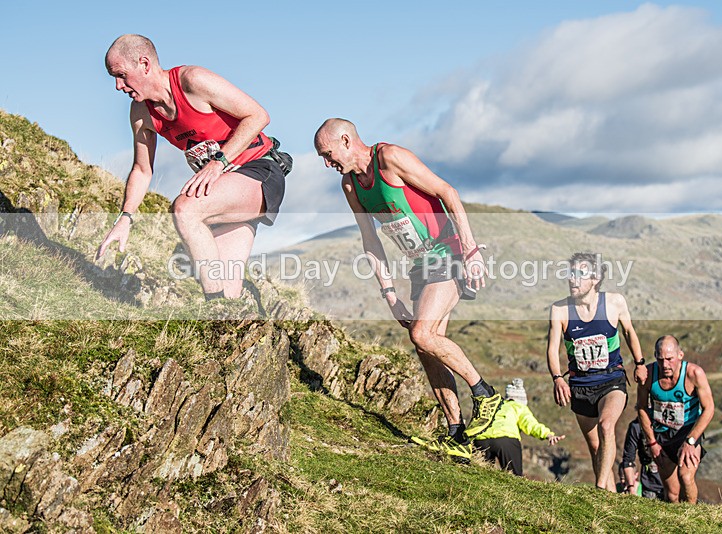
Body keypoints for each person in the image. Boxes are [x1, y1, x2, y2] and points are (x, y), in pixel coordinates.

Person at [314, 118, 500, 462]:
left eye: (328, 154)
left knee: (422, 332)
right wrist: (390, 295)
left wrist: (471, 249)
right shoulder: (351, 185)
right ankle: (456, 434)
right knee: (428, 349)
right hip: (420, 266)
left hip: (448, 251)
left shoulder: (391, 158)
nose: (328, 164)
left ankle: (487, 396)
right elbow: (370, 239)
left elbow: (448, 192)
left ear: (345, 140)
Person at [97, 34, 292, 301]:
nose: (118, 86)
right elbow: (142, 170)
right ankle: (232, 314)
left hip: (259, 170)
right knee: (228, 292)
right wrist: (125, 218)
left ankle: (216, 307)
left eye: (121, 75)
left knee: (185, 210)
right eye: (113, 78)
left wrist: (218, 163)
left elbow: (258, 115)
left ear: (144, 64)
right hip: (224, 189)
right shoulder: (141, 112)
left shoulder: (192, 81)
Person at [546, 252, 648, 491]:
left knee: (606, 426)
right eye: (570, 274)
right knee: (595, 448)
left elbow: (629, 332)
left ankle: (600, 486)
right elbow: (552, 348)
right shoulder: (559, 310)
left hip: (612, 379)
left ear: (595, 279)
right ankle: (610, 497)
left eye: (580, 275)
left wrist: (640, 362)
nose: (573, 280)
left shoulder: (614, 302)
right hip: (580, 385)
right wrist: (557, 378)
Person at [637, 335, 715, 504]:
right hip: (661, 436)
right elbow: (641, 407)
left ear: (680, 355)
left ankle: (692, 518)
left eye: (669, 359)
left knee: (686, 477)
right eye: (660, 359)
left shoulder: (694, 374)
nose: (665, 365)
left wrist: (691, 441)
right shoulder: (649, 375)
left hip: (687, 433)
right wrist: (651, 442)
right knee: (672, 494)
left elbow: (709, 409)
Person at [472, 378, 564, 476]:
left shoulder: (495, 405)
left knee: (481, 475)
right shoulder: (519, 407)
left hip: (481, 440)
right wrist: (548, 434)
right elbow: (531, 425)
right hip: (506, 441)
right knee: (514, 477)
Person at [620, 418, 664, 499]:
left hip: (673, 486)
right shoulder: (636, 426)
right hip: (649, 487)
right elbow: (628, 460)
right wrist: (631, 488)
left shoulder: (671, 424)